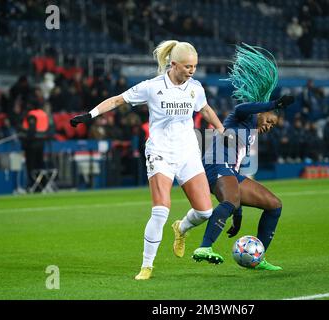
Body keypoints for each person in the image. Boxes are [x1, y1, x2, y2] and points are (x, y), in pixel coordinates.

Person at [70, 40, 224, 280]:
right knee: (161, 210)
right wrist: (90, 115)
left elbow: (204, 110)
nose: (192, 71)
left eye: (194, 66)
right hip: (160, 152)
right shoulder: (152, 87)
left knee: (205, 212)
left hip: (188, 153)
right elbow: (118, 100)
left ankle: (181, 228)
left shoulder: (195, 88)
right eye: (187, 67)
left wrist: (222, 130)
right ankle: (147, 266)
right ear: (173, 65)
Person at [191, 44, 295, 270]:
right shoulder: (241, 117)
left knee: (274, 205)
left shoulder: (250, 134)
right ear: (262, 111)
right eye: (269, 120)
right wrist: (275, 104)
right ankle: (205, 246)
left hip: (229, 172)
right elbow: (244, 108)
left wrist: (237, 216)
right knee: (230, 200)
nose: (269, 126)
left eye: (272, 126)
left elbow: (233, 179)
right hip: (215, 165)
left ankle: (259, 258)